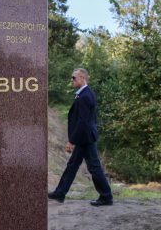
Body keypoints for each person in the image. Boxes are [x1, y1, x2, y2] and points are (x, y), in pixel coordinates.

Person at [48, 68, 114, 206]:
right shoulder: (84, 94)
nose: (72, 80)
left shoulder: (85, 96)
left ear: (83, 78)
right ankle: (60, 193)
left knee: (94, 168)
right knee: (72, 165)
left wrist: (71, 141)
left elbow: (82, 122)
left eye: (74, 78)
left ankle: (106, 197)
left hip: (86, 138)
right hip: (85, 137)